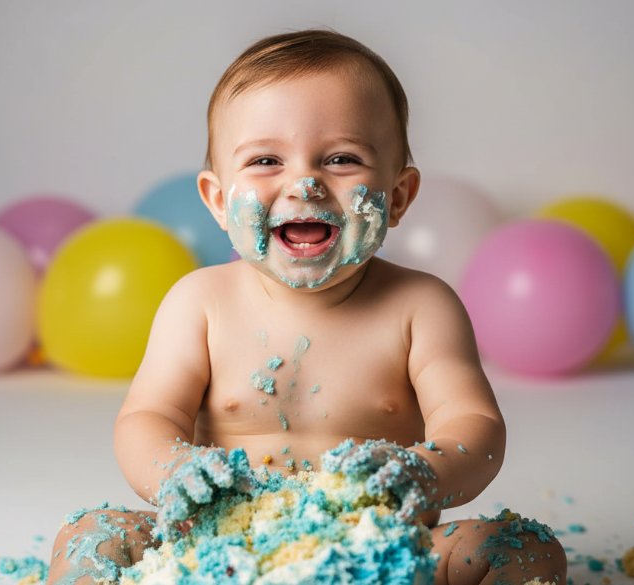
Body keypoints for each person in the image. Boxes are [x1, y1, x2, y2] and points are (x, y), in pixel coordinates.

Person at [48, 29, 566, 585]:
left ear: (397, 197)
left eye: (342, 159)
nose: (305, 183)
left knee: (524, 548)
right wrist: (175, 470)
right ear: (219, 201)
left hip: (384, 549)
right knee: (94, 533)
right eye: (267, 160)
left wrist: (422, 471)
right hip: (215, 547)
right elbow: (146, 419)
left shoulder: (421, 308)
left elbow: (477, 426)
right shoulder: (200, 303)